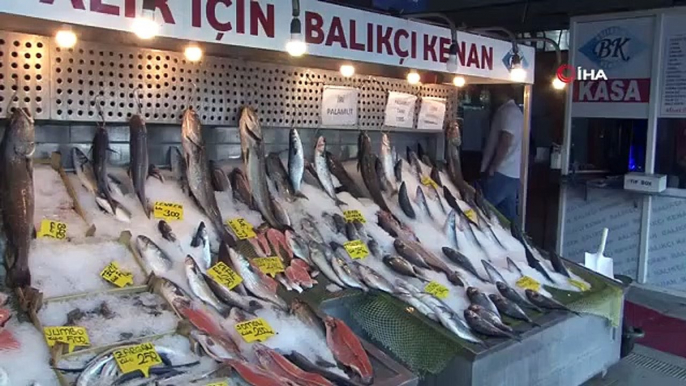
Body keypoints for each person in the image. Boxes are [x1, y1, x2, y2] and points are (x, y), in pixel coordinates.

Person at [480, 85, 523, 224]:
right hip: (513, 173)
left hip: (502, 172)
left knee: (482, 210)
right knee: (508, 217)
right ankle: (517, 242)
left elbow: (506, 140)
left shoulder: (508, 112)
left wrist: (493, 167)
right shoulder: (516, 112)